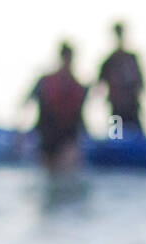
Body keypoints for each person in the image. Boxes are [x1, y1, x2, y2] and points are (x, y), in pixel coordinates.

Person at [24, 43, 88, 172]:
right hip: (49, 135)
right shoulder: (46, 82)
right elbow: (27, 103)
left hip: (67, 136)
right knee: (54, 171)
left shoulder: (78, 87)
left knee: (62, 171)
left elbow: (81, 116)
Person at [97, 22, 145, 134]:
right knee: (116, 137)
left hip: (132, 108)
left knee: (138, 138)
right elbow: (99, 86)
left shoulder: (132, 59)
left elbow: (141, 83)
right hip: (116, 110)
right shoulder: (109, 61)